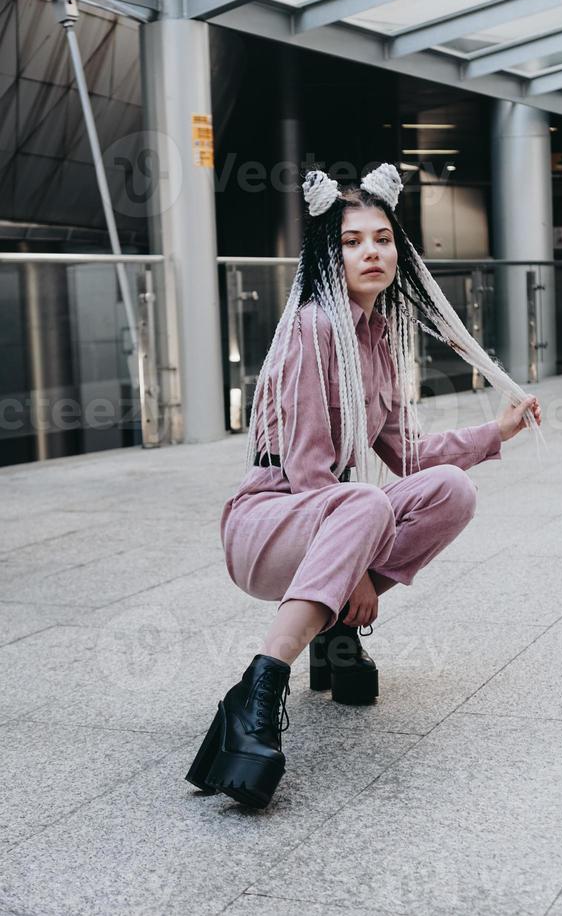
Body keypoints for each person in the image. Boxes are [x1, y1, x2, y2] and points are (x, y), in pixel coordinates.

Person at [185, 162, 542, 809]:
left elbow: (409, 454)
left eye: (381, 238)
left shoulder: (378, 337)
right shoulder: (314, 328)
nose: (371, 251)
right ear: (330, 252)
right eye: (353, 241)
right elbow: (309, 472)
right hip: (268, 521)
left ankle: (332, 633)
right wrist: (352, 576)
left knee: (449, 492)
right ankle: (256, 696)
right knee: (363, 498)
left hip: (332, 519)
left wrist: (498, 431)